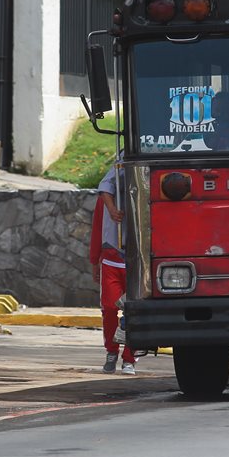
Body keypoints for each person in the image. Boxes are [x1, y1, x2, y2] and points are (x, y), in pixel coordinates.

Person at [91, 155, 137, 375]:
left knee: (135, 310)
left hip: (137, 261)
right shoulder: (106, 197)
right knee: (109, 308)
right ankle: (111, 350)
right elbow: (97, 231)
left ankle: (129, 359)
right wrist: (94, 260)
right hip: (111, 258)